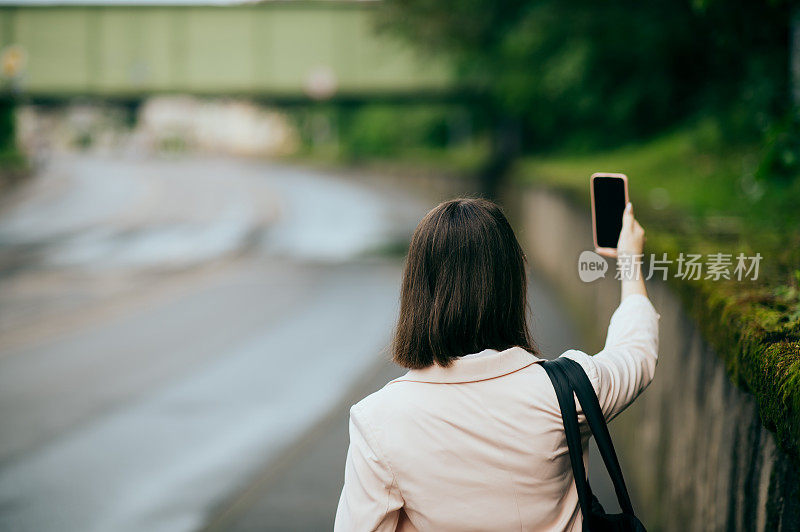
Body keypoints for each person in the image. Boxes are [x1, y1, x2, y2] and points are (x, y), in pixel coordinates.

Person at [334, 198, 659, 531]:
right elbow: (637, 350)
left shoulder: (377, 420)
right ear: (513, 282)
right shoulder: (569, 389)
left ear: (417, 289)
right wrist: (630, 261)